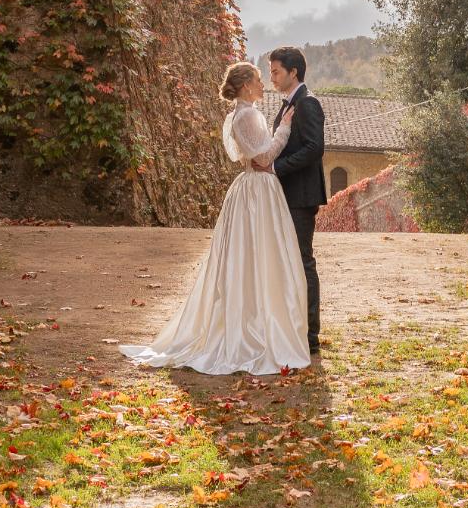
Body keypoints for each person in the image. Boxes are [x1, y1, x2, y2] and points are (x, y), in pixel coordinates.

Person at [119, 63, 310, 375]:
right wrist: (284, 129)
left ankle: (256, 320)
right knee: (260, 257)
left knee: (251, 259)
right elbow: (262, 158)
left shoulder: (244, 113)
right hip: (257, 192)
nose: (264, 84)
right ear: (247, 85)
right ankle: (254, 329)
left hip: (253, 191)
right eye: (260, 79)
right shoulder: (247, 115)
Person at [266, 45, 326, 354]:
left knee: (303, 261)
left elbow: (315, 148)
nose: (271, 77)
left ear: (294, 72)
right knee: (291, 262)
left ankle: (309, 336)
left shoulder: (308, 103)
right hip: (287, 195)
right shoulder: (289, 105)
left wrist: (276, 168)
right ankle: (294, 328)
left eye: (276, 71)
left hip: (301, 196)